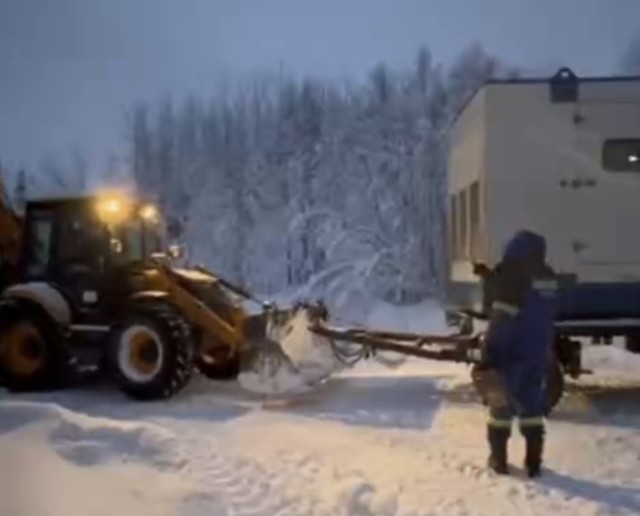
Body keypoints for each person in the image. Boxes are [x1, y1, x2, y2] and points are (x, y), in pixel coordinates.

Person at [474, 230, 557, 477]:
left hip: (509, 355)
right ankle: (534, 463)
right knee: (532, 409)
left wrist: (489, 355)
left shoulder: (512, 278)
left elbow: (501, 321)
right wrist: (491, 279)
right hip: (537, 354)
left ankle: (498, 460)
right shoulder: (547, 278)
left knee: (500, 410)